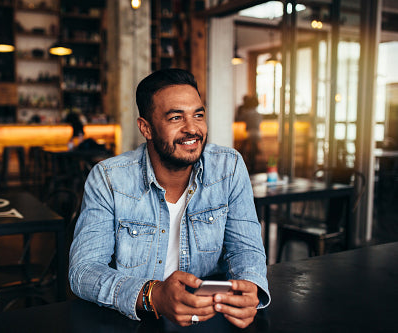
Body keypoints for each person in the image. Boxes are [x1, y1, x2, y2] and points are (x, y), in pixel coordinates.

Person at [69, 69, 270, 328]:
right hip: (136, 320)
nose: (192, 129)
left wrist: (249, 287)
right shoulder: (109, 179)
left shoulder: (228, 167)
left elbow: (245, 248)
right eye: (176, 117)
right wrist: (153, 295)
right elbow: (83, 271)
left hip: (209, 318)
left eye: (198, 115)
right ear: (146, 128)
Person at [235, 95, 262, 173]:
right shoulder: (258, 114)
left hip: (249, 133)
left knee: (244, 148)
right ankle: (253, 164)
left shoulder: (247, 113)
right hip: (258, 134)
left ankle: (246, 164)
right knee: (252, 148)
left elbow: (238, 119)